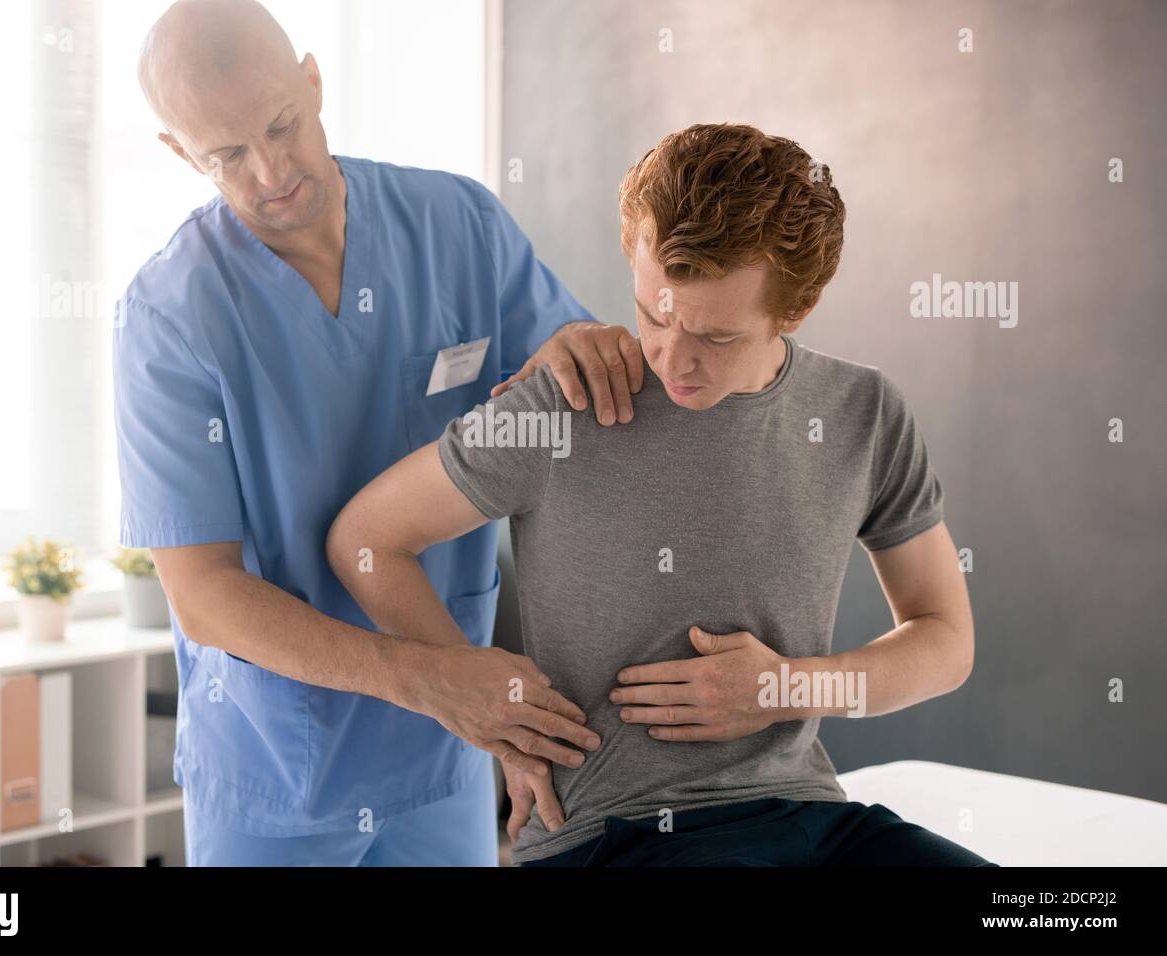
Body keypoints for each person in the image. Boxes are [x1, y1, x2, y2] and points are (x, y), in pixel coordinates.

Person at [328, 122, 999, 866]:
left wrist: (783, 690)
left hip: (813, 817)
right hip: (619, 836)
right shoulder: (564, 404)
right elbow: (366, 540)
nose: (673, 362)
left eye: (715, 339)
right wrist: (473, 705)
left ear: (795, 311)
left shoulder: (863, 412)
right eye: (654, 314)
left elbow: (945, 641)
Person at [112, 0, 639, 866]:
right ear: (179, 152)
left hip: (442, 752)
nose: (271, 169)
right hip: (278, 768)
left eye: (282, 124)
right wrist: (424, 677)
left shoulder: (458, 226)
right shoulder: (170, 318)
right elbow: (202, 593)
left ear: (313, 82)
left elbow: (569, 388)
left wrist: (589, 355)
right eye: (227, 155)